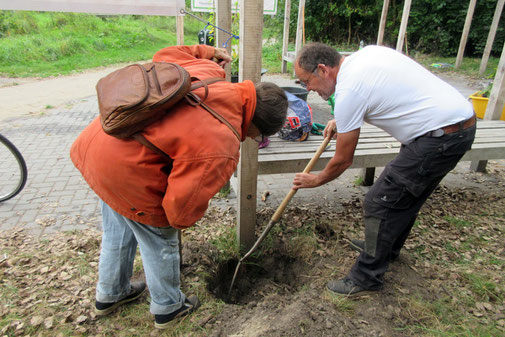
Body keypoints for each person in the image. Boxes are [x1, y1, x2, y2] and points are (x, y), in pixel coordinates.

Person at [70, 44, 288, 329]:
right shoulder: (222, 142)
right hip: (128, 171)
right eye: (258, 138)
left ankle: (110, 295)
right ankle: (168, 308)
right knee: (160, 235)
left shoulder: (209, 71)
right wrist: (176, 224)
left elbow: (165, 54)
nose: (253, 140)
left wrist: (207, 51)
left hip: (101, 143)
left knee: (119, 230)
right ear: (256, 127)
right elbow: (178, 211)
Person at [292, 43, 476, 296]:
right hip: (456, 126)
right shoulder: (365, 56)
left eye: (306, 82)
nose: (308, 89)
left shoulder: (350, 90)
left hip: (438, 138)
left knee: (380, 201)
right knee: (404, 197)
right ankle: (384, 248)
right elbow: (376, 92)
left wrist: (317, 180)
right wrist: (343, 119)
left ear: (322, 69)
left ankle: (366, 278)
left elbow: (343, 159)